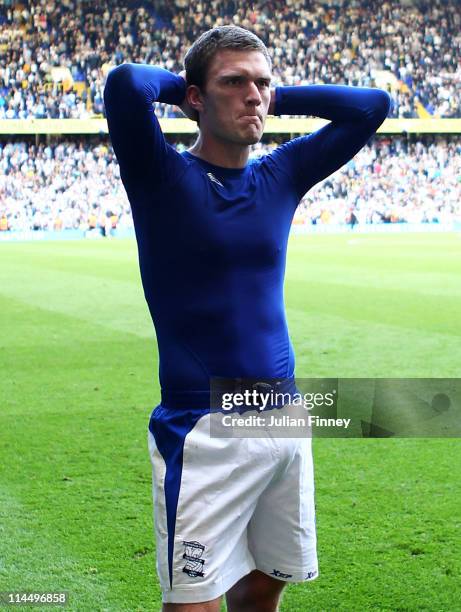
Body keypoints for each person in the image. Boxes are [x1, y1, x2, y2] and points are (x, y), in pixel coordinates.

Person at [104, 25, 390, 612]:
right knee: (195, 602)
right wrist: (192, 84)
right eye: (234, 83)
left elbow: (371, 107)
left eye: (262, 83)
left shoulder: (279, 173)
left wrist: (273, 93)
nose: (253, 96)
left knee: (264, 587)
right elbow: (127, 84)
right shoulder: (162, 176)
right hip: (204, 423)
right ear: (194, 99)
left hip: (284, 417)